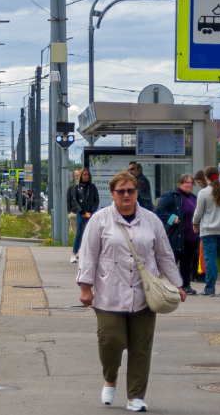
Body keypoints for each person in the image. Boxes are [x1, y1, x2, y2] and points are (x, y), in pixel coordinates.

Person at [77, 170, 184, 412]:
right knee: (110, 341)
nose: (126, 195)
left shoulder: (151, 220)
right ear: (112, 194)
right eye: (121, 191)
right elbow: (88, 256)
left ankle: (136, 396)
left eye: (131, 190)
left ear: (137, 192)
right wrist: (85, 288)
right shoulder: (100, 220)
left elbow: (164, 255)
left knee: (141, 346)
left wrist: (177, 284)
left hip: (145, 294)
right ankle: (110, 377)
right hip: (109, 293)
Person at [154, 174, 199, 295]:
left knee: (187, 263)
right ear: (180, 183)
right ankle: (168, 286)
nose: (189, 185)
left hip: (191, 237)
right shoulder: (171, 195)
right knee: (172, 261)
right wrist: (172, 218)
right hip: (176, 236)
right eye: (187, 182)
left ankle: (186, 285)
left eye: (191, 183)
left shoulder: (194, 198)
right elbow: (159, 211)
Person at [193, 165, 220, 297]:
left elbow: (198, 212)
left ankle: (209, 289)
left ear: (206, 178)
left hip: (208, 231)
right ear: (218, 176)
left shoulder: (203, 193)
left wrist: (194, 222)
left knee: (211, 260)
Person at [68, 167, 100, 264]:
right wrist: (82, 212)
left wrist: (92, 212)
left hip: (90, 213)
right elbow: (75, 200)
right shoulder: (77, 187)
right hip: (81, 212)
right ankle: (74, 253)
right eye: (84, 175)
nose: (86, 176)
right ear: (81, 176)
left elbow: (96, 200)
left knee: (90, 233)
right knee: (79, 232)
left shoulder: (92, 187)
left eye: (88, 175)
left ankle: (87, 253)